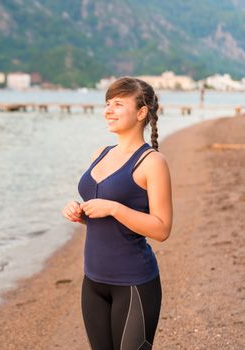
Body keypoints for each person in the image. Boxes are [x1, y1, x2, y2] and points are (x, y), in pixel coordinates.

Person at [61, 77, 173, 350]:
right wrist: (79, 211)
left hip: (134, 283)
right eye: (107, 103)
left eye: (118, 103)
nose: (108, 110)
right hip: (93, 281)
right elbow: (105, 217)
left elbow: (162, 229)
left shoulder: (152, 162)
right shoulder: (101, 153)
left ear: (141, 112)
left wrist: (113, 207)